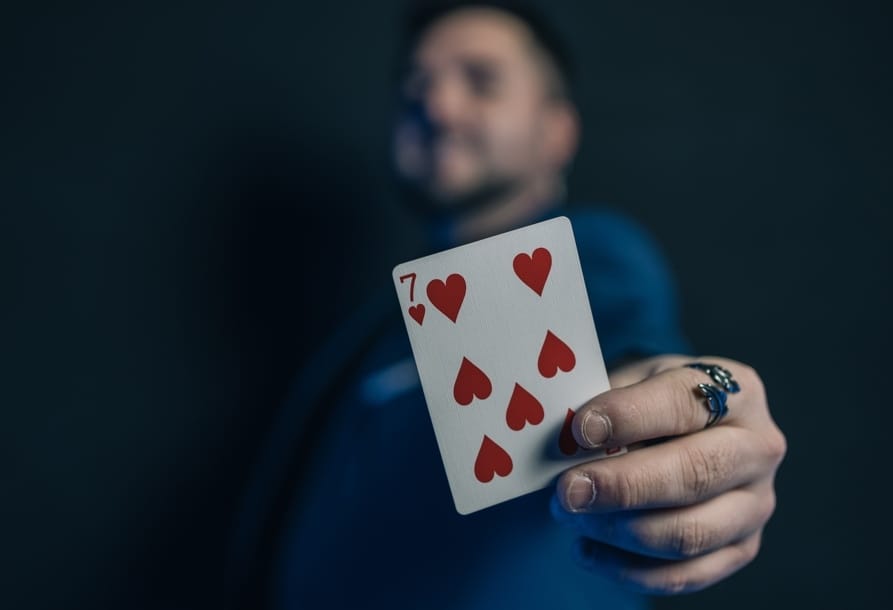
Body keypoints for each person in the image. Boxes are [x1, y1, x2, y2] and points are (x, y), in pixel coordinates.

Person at [225, 2, 786, 607]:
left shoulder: (591, 255)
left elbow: (633, 366)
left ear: (556, 130)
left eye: (481, 80)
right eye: (416, 86)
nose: (437, 106)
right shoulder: (376, 325)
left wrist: (691, 411)